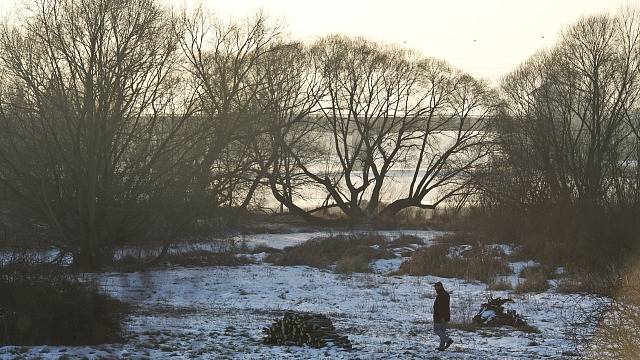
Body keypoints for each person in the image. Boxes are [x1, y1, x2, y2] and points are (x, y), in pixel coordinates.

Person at [433, 281, 454, 351]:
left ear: (440, 286)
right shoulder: (445, 294)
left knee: (436, 330)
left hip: (440, 317)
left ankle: (448, 340)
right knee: (442, 332)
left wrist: (442, 317)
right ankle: (442, 347)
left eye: (436, 287)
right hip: (445, 316)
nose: (435, 288)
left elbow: (442, 307)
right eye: (435, 287)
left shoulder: (441, 295)